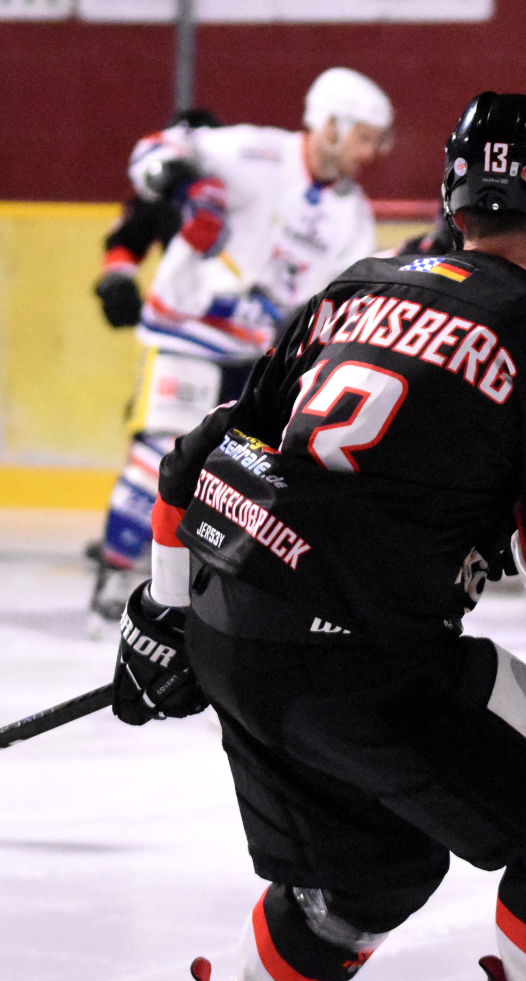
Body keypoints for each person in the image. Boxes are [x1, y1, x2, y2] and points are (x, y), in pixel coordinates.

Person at [111, 92, 526, 981]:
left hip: (235, 627)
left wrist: (162, 614)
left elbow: (193, 458)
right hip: (365, 659)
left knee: (371, 867)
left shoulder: (355, 286)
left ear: (456, 194)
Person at [89, 68, 394, 627]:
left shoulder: (353, 214)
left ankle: (204, 581)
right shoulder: (256, 153)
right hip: (188, 332)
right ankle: (113, 572)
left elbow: (340, 298)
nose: (370, 153)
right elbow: (158, 150)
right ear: (330, 126)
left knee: (241, 472)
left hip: (260, 359)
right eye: (364, 137)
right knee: (160, 452)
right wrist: (173, 172)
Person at [92, 108, 225, 331]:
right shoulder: (162, 195)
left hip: (252, 312)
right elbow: (126, 240)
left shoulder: (250, 189)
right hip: (186, 313)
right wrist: (118, 280)